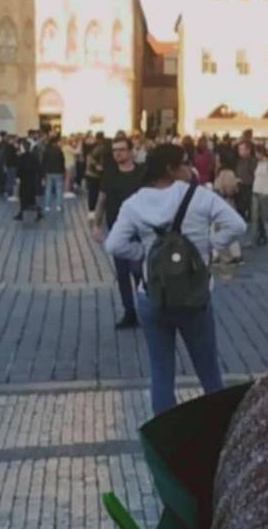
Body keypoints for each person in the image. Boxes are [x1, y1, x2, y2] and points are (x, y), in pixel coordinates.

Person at [105, 143, 246, 415]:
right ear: (170, 168)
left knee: (161, 373)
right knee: (209, 371)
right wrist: (209, 247)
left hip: (152, 296)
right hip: (195, 295)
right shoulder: (199, 196)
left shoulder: (134, 203)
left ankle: (165, 437)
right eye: (183, 163)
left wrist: (144, 254)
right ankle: (218, 429)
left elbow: (114, 245)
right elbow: (237, 225)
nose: (188, 168)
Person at [92, 136, 146, 328]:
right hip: (117, 230)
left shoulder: (142, 173)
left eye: (122, 149)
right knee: (122, 274)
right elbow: (102, 200)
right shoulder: (110, 174)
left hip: (140, 230)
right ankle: (129, 312)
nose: (118, 153)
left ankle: (145, 310)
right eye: (115, 150)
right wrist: (96, 225)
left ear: (131, 151)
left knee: (140, 272)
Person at [42, 134, 67, 214]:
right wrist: (63, 172)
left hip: (48, 172)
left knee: (48, 189)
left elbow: (43, 163)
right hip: (59, 172)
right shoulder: (59, 151)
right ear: (55, 143)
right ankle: (59, 206)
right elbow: (62, 162)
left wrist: (43, 174)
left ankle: (47, 206)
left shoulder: (46, 151)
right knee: (59, 189)